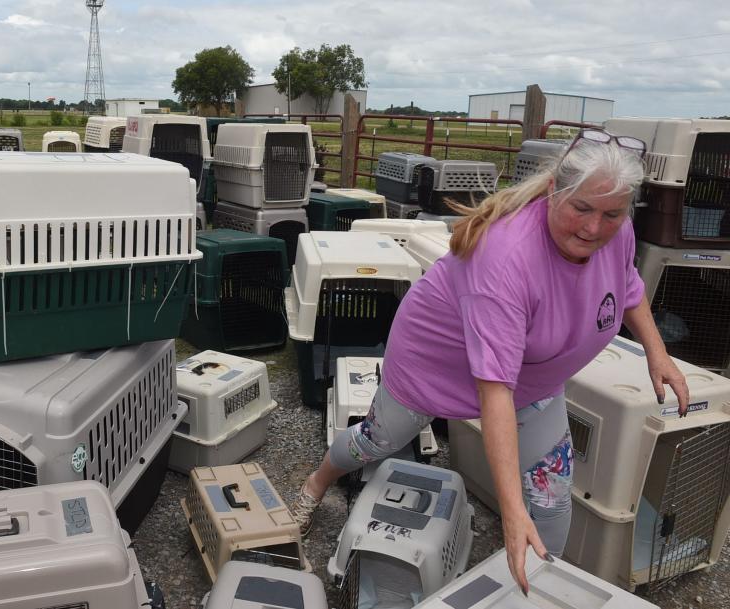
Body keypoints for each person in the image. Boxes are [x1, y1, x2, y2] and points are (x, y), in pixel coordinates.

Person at [289, 129, 690, 595]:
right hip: (432, 363)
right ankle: (316, 483)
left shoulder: (615, 227)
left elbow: (628, 288)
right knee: (378, 441)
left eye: (611, 214)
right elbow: (494, 388)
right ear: (553, 190)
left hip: (536, 379)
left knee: (552, 498)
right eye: (581, 209)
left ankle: (533, 590)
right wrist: (510, 508)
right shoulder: (505, 257)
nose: (594, 228)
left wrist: (658, 355)